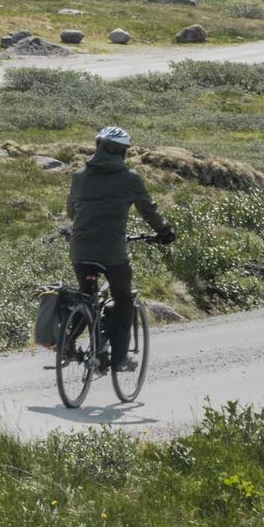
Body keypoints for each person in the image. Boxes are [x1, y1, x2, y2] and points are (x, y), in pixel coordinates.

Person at [64, 124, 173, 364]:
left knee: (85, 294)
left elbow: (72, 212)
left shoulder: (79, 176)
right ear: (122, 152)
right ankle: (120, 358)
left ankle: (66, 342)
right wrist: (164, 231)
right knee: (123, 298)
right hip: (112, 250)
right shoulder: (129, 179)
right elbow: (149, 210)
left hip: (80, 247)